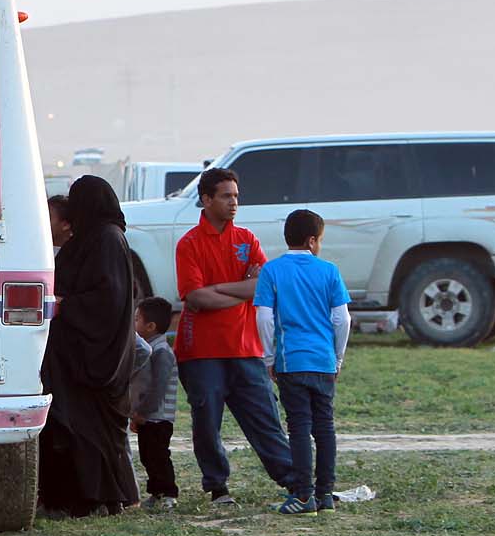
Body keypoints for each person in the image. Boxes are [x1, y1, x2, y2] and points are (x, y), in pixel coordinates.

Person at [175, 168, 296, 506]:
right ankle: (217, 487)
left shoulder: (246, 239)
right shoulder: (189, 244)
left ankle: (292, 479)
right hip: (201, 351)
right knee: (207, 421)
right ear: (206, 199)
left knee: (264, 417)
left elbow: (263, 285)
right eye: (226, 196)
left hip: (245, 346)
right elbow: (196, 298)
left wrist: (220, 289)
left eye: (236, 196)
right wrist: (241, 291)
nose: (233, 203)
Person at [36, 175, 137, 518]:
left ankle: (93, 497)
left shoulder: (107, 240)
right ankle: (79, 496)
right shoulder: (91, 240)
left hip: (94, 356)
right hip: (75, 354)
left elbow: (108, 299)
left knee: (87, 430)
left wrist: (66, 305)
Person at [255, 209, 350, 515]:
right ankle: (325, 494)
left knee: (298, 427)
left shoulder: (272, 271)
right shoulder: (330, 271)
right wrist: (337, 357)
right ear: (312, 240)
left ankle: (303, 494)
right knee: (325, 427)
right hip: (323, 361)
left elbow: (265, 318)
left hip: (290, 361)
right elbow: (342, 319)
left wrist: (269, 356)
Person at [130, 296, 180, 511]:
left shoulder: (161, 352)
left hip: (158, 417)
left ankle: (168, 492)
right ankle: (156, 492)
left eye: (137, 320)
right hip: (147, 416)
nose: (134, 324)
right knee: (148, 456)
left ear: (150, 326)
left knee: (159, 455)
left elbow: (158, 386)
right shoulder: (148, 348)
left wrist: (143, 411)